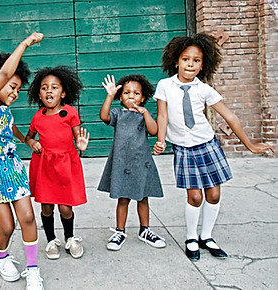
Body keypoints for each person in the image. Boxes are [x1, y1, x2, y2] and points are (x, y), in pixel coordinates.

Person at [153, 33, 274, 261]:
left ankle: (206, 236)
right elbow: (162, 115)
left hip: (207, 145)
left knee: (214, 194)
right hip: (184, 148)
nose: (190, 64)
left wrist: (250, 145)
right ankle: (191, 237)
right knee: (195, 197)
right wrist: (160, 140)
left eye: (196, 60)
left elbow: (230, 116)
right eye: (186, 59)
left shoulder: (204, 89)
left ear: (203, 64)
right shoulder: (165, 86)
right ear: (176, 60)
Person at [0, 32, 44, 290]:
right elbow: (4, 74)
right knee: (7, 226)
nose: (15, 93)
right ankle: (2, 257)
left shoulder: (5, 111)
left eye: (18, 89)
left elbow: (10, 128)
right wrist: (24, 43)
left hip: (12, 167)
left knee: (27, 218)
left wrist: (26, 140)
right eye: (12, 87)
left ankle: (33, 270)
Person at [25, 66, 89, 260]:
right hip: (44, 166)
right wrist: (32, 142)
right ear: (39, 93)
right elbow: (28, 137)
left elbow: (78, 136)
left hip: (66, 164)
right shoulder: (38, 116)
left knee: (65, 207)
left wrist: (80, 144)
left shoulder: (70, 112)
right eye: (44, 87)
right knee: (46, 207)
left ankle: (70, 238)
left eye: (54, 87)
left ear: (63, 93)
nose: (49, 91)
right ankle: (51, 240)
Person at [98, 74, 166, 251]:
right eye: (127, 93)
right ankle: (120, 231)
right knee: (123, 198)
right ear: (121, 97)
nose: (131, 96)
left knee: (143, 198)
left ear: (143, 98)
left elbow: (154, 131)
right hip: (122, 163)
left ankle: (145, 230)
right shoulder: (118, 114)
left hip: (141, 162)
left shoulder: (144, 115)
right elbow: (104, 116)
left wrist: (145, 113)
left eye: (136, 93)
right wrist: (109, 95)